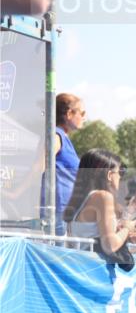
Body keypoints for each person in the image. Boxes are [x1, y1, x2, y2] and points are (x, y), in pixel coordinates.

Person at [62, 149, 136, 257]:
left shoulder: (82, 199)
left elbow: (91, 235)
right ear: (109, 175)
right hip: (93, 268)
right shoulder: (103, 197)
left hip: (81, 265)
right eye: (120, 172)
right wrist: (127, 228)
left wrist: (126, 236)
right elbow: (110, 246)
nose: (120, 177)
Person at [48, 93, 85, 235]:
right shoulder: (56, 136)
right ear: (69, 113)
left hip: (65, 213)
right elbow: (38, 168)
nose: (84, 117)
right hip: (55, 212)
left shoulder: (63, 137)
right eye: (82, 113)